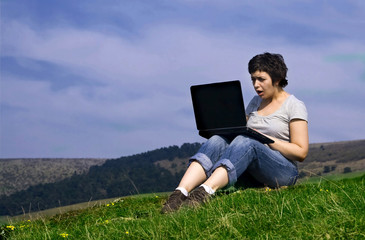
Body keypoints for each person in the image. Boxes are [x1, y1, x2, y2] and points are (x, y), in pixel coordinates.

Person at [161, 52, 309, 213]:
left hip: (284, 172)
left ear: (278, 79)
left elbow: (301, 152)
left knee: (249, 141)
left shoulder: (294, 105)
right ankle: (179, 194)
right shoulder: (255, 102)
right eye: (253, 79)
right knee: (218, 139)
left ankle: (204, 192)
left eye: (261, 79)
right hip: (252, 171)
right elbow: (241, 133)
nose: (256, 85)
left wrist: (266, 140)